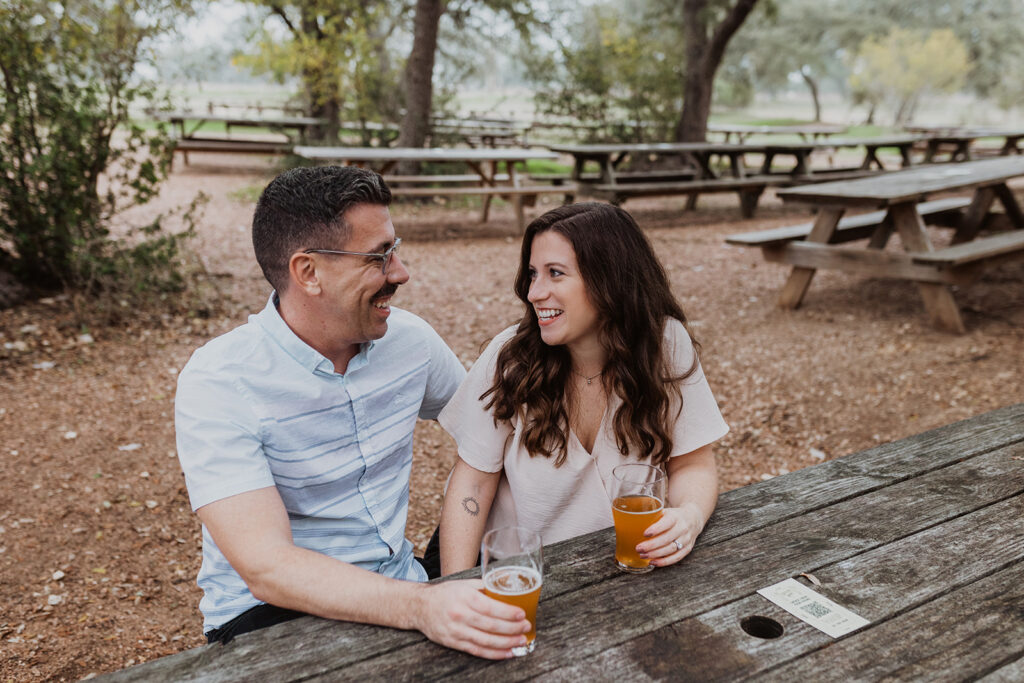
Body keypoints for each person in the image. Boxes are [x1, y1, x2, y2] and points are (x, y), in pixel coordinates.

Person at [174, 165, 530, 658]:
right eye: (378, 257)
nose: (400, 273)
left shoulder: (411, 342)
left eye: (394, 249)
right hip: (273, 618)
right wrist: (423, 606)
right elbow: (267, 568)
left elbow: (499, 428)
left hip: (403, 582)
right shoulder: (220, 380)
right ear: (308, 273)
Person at [437, 202, 728, 575]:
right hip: (523, 578)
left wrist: (688, 517)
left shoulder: (665, 344)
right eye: (532, 274)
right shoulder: (510, 357)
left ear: (610, 279)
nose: (534, 293)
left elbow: (693, 463)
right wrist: (456, 586)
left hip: (627, 575)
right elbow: (473, 483)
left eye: (555, 273)